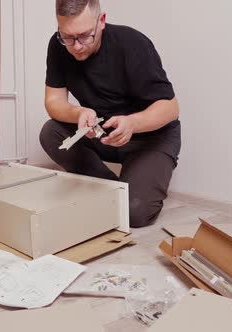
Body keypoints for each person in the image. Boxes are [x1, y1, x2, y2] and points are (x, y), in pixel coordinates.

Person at [39, 0, 181, 228]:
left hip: (150, 138)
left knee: (134, 214)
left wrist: (133, 123)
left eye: (85, 36)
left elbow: (170, 108)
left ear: (101, 21)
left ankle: (124, 194)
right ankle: (112, 191)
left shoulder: (133, 43)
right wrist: (78, 113)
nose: (76, 46)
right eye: (67, 37)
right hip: (104, 135)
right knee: (50, 133)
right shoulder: (57, 46)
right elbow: (53, 101)